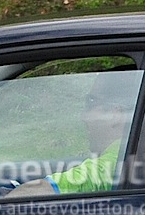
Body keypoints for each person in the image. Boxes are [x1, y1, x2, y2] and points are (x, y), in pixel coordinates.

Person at [8, 70, 137, 197]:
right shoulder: (131, 150)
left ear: (115, 115)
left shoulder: (117, 160)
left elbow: (42, 190)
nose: (83, 117)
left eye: (91, 103)